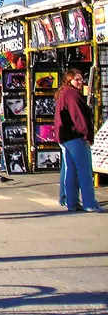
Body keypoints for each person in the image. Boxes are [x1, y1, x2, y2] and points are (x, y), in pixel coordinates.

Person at [54, 68, 104, 213]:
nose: (80, 83)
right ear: (69, 80)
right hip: (75, 137)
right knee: (84, 171)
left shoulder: (63, 93)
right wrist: (88, 135)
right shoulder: (73, 95)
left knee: (71, 171)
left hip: (64, 137)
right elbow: (79, 118)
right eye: (77, 79)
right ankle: (89, 203)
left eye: (82, 80)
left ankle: (71, 202)